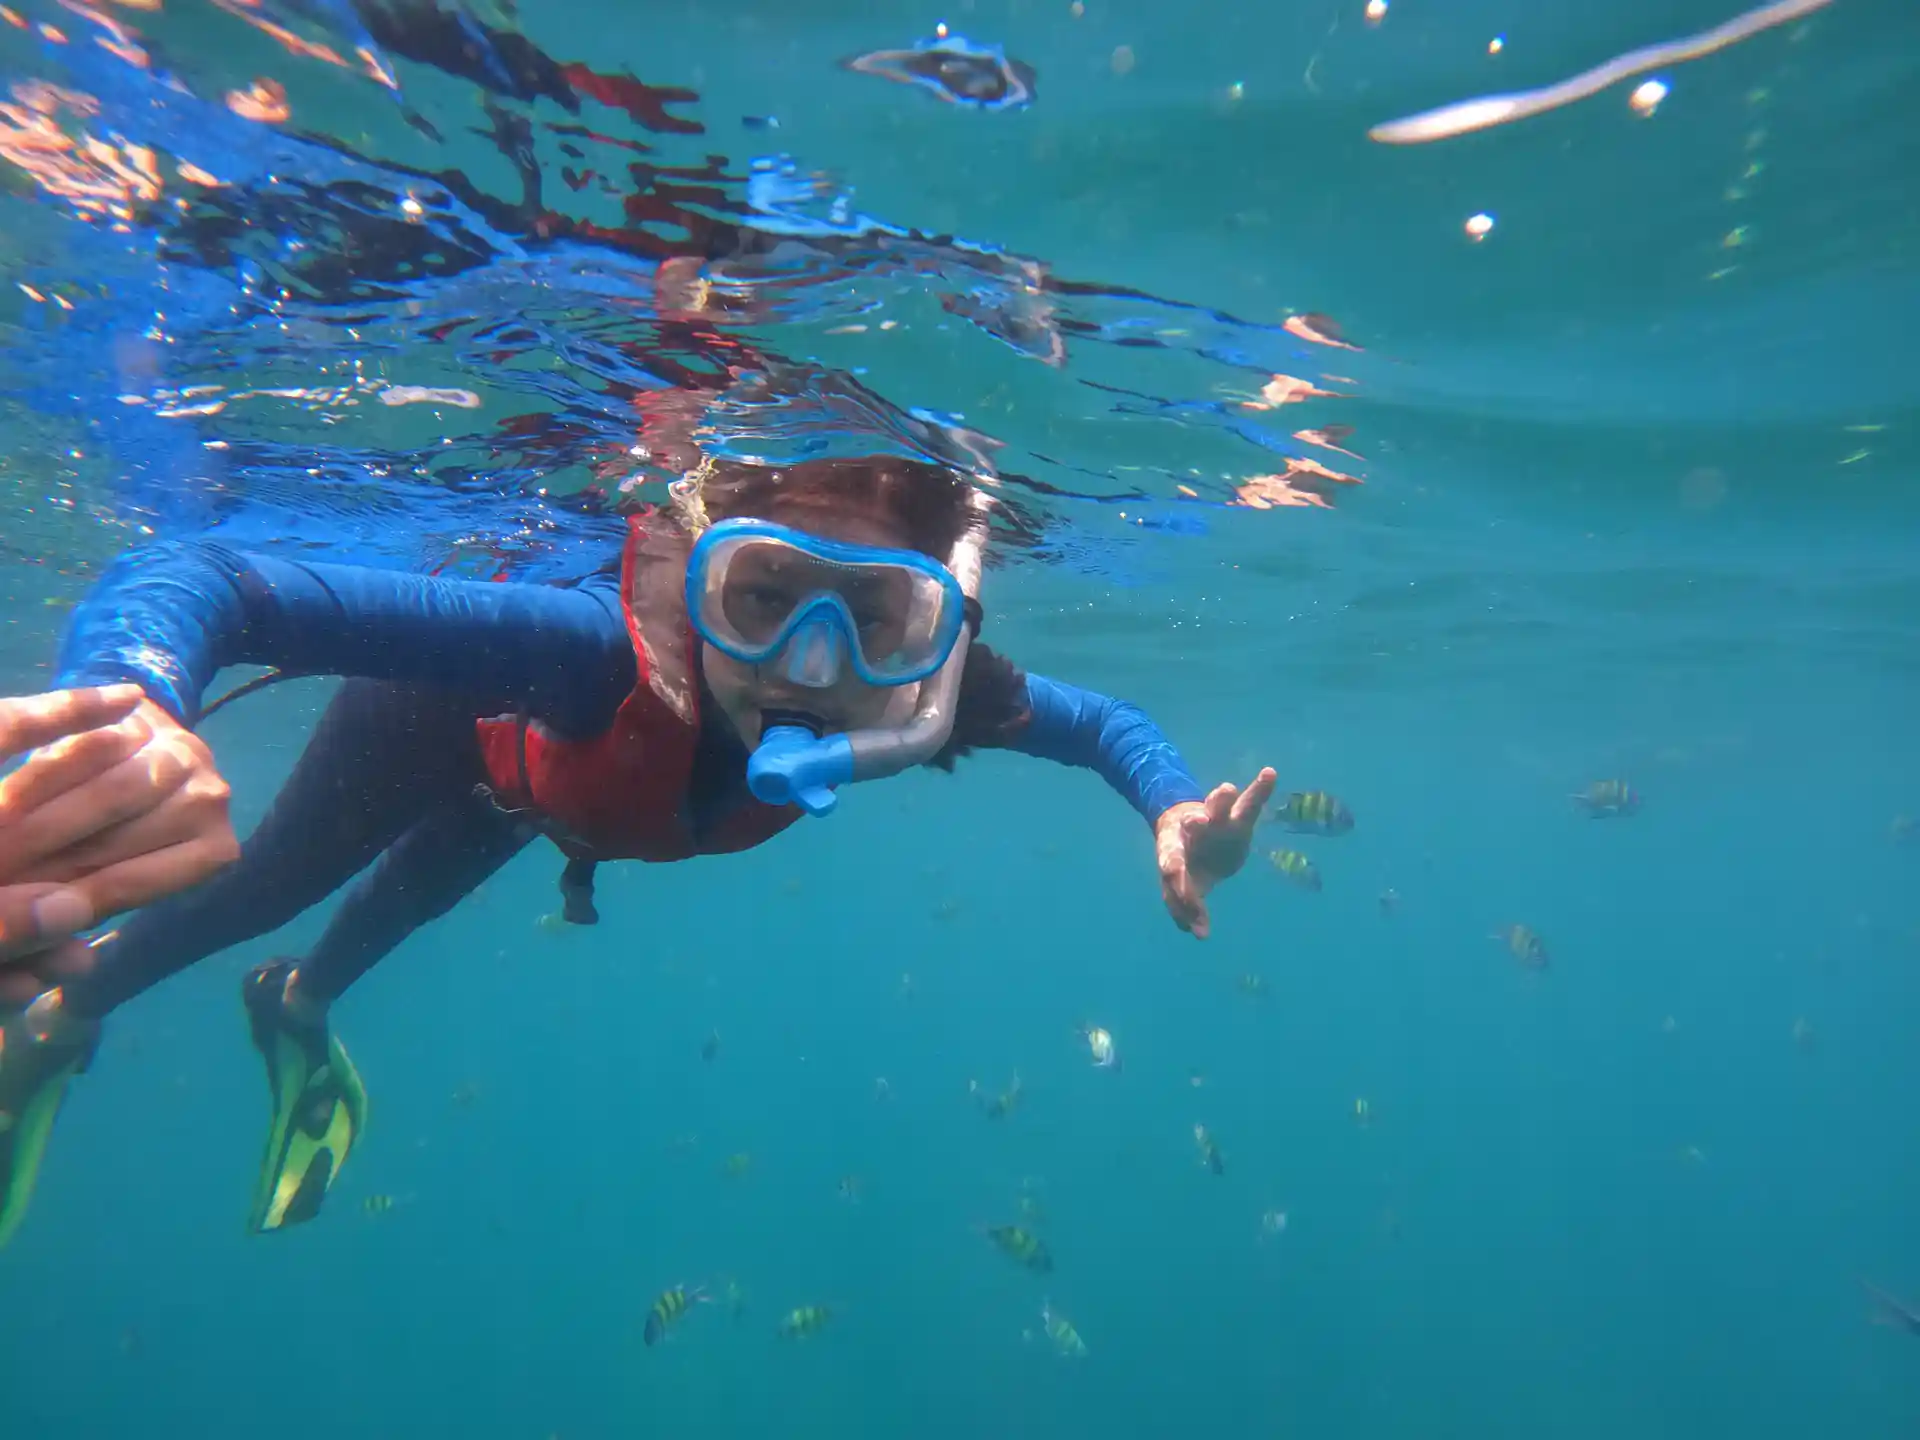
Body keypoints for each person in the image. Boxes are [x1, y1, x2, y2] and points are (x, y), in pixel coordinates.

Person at [0, 454, 1275, 1247]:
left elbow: (1103, 722)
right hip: (447, 737)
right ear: (695, 578)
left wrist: (1169, 805)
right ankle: (63, 1008)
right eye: (761, 598)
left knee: (416, 899)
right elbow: (211, 576)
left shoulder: (930, 696)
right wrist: (133, 703)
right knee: (261, 884)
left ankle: (300, 1002)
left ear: (930, 633)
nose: (812, 671)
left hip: (540, 803)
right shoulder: (581, 652)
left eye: (876, 619)